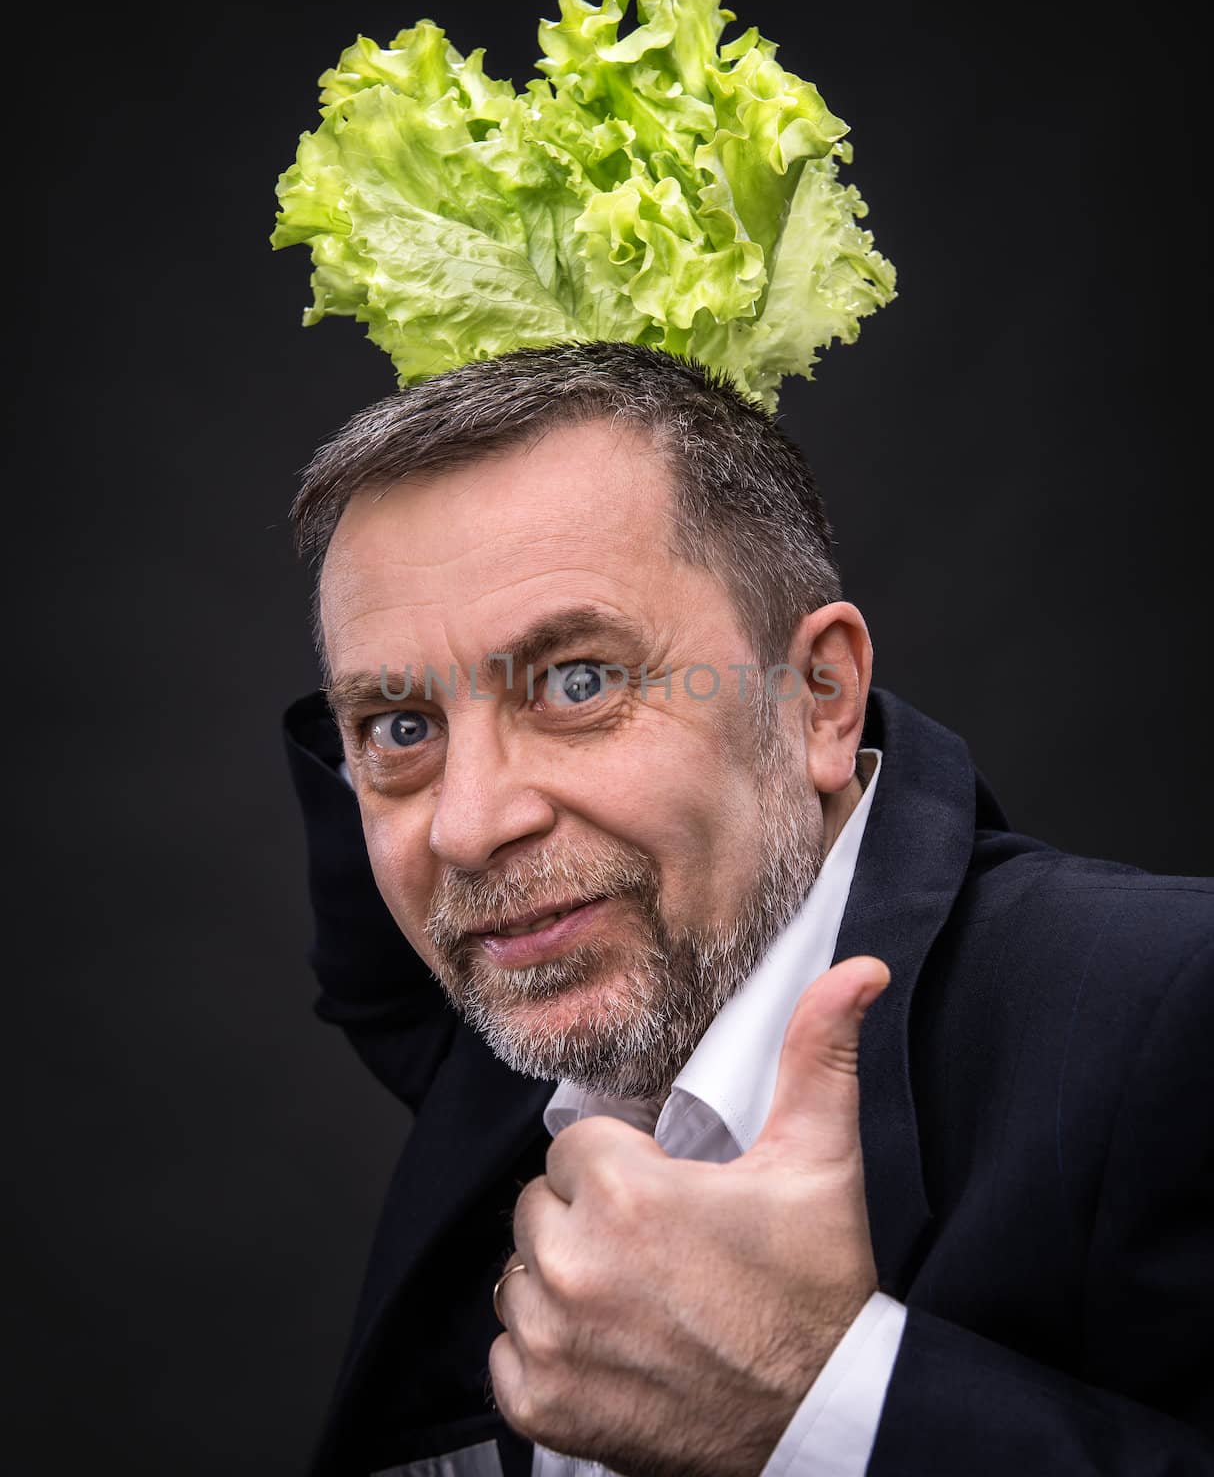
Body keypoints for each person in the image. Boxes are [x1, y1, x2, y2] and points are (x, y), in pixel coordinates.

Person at [280, 340, 1214, 1477]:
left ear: (818, 694)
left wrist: (811, 1401)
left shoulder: (1168, 1006)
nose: (468, 827)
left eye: (577, 680)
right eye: (402, 727)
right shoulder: (533, 1005)